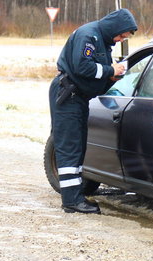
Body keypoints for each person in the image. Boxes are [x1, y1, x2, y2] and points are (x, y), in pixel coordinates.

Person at [49, 8, 138, 214]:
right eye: (121, 35)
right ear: (115, 28)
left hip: (77, 97)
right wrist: (110, 71)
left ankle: (75, 196)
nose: (119, 39)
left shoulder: (103, 40)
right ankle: (71, 201)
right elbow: (83, 67)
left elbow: (93, 71)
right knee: (70, 147)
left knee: (78, 145)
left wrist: (111, 76)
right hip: (67, 94)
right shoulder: (89, 35)